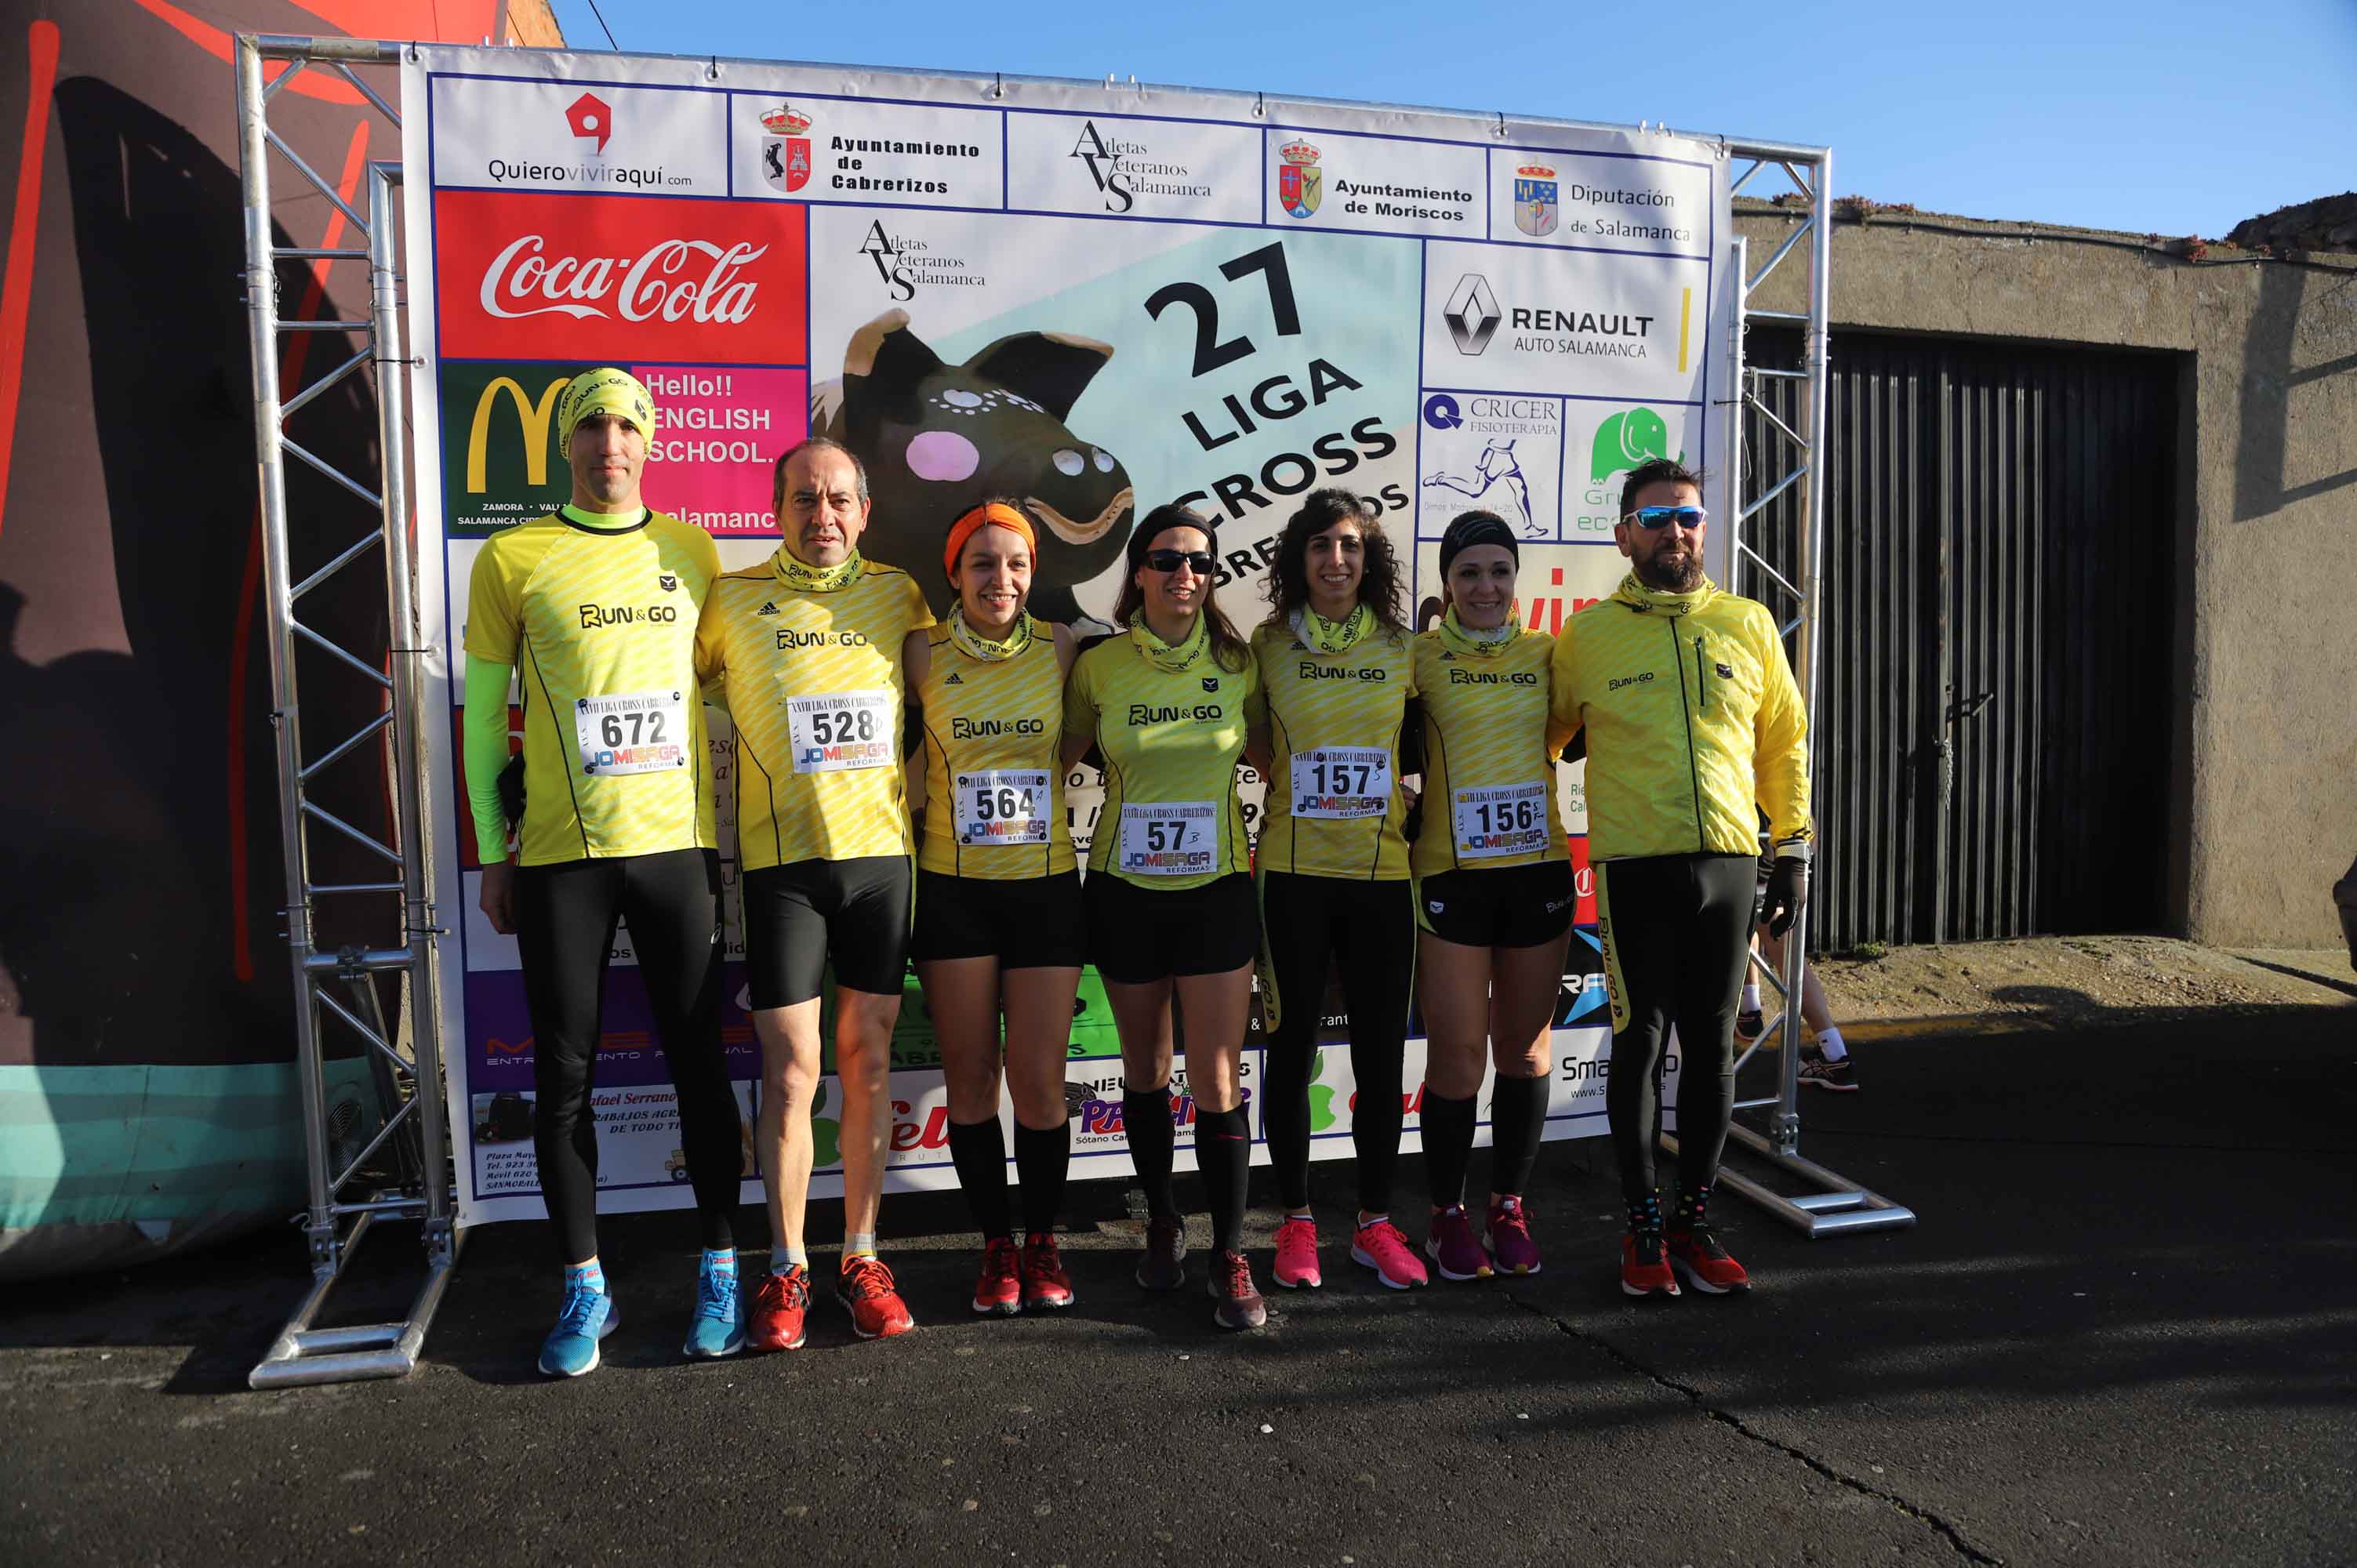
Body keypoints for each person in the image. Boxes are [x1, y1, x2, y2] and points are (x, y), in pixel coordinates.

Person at [463, 368, 746, 1376]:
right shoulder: (513, 556)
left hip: (674, 848)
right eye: (591, 427)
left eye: (627, 426)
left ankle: (722, 1263)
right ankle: (586, 1286)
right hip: (559, 858)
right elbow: (478, 720)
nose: (610, 444)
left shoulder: (693, 549)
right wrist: (495, 852)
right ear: (566, 447)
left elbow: (731, 676)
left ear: (651, 442)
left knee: (700, 1064)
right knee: (564, 1077)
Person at [1549, 458, 1811, 1299]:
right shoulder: (1586, 636)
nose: (1676, 532)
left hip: (1732, 863)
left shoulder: (1748, 622)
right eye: (1656, 517)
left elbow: (1783, 742)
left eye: (1689, 517)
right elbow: (1542, 739)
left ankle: (1694, 1220)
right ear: (1623, 533)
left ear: (1705, 528)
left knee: (1712, 1050)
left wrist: (1795, 843)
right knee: (1639, 1043)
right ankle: (1642, 1226)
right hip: (1635, 868)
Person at [696, 437, 935, 1348]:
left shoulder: (900, 593)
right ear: (776, 507)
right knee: (794, 1069)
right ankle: (787, 1264)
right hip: (781, 867)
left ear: (864, 512)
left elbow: (945, 701)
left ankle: (863, 1253)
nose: (823, 515)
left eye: (839, 499)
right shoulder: (732, 596)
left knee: (867, 1059)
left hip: (881, 862)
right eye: (805, 499)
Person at [1061, 503, 1266, 1330]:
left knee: (1216, 1076)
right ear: (1138, 572)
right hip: (1124, 890)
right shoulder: (1100, 666)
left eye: (1201, 561)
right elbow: (1054, 758)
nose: (1186, 574)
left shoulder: (1242, 662)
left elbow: (1281, 761)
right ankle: (1161, 1220)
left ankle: (1230, 1250)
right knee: (1144, 1070)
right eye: (1167, 559)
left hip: (1216, 888)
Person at [1243, 488, 1427, 1291]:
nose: (1336, 559)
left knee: (1381, 1054)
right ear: (1297, 558)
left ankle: (1376, 1221)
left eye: (1350, 545)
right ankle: (1295, 1218)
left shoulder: (1403, 646)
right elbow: (1248, 733)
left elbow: (1427, 741)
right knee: (1290, 1052)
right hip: (1291, 875)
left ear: (1369, 556)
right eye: (1320, 545)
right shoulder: (1268, 642)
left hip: (1383, 877)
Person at [906, 501, 1084, 1316]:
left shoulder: (1064, 646)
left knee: (1040, 1081)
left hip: (1044, 887)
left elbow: (1080, 746)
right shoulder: (919, 649)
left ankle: (1043, 1237)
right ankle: (995, 1244)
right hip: (954, 887)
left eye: (1015, 562)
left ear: (1034, 569)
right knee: (972, 1081)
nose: (1000, 579)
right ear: (954, 572)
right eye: (981, 562)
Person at [1407, 511, 1579, 1282]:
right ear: (1446, 583)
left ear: (1517, 580)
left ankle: (1508, 1201)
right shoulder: (1419, 657)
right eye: (1469, 572)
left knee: (1527, 1048)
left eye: (1499, 571)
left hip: (1538, 870)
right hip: (1450, 875)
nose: (1486, 586)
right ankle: (1447, 1212)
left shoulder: (1550, 654)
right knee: (1455, 1056)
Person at [1735, 842, 1855, 1092]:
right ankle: (1749, 1012)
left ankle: (1834, 1057)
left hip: (1739, 862)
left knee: (1760, 935)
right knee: (1782, 952)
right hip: (1776, 865)